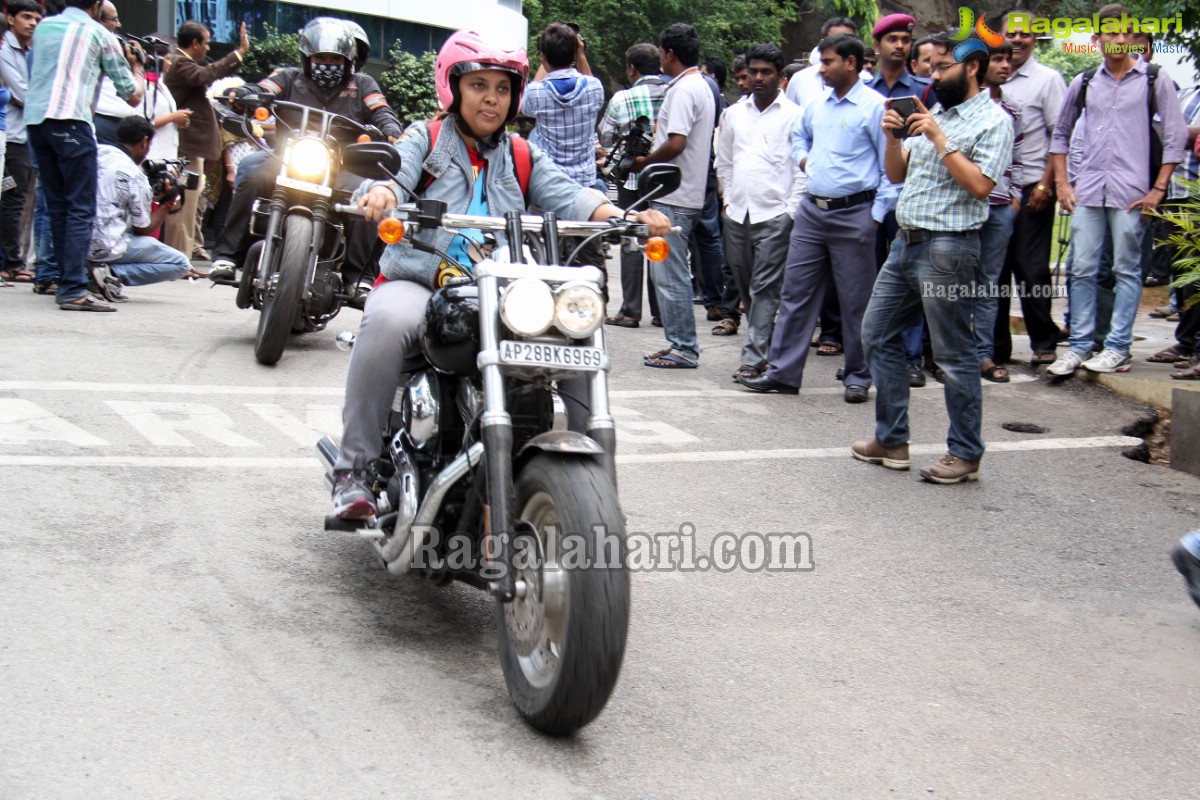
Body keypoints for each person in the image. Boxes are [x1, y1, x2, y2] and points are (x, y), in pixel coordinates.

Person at [329, 30, 669, 519]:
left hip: (504, 290)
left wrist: (623, 215)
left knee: (577, 344)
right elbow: (395, 172)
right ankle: (354, 471)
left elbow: (571, 195)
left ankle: (596, 492)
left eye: (502, 88)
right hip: (422, 281)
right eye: (479, 85)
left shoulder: (522, 154)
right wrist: (382, 192)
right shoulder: (424, 139)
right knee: (383, 325)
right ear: (454, 88)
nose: (491, 97)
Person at [851, 33, 1013, 484]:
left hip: (950, 247)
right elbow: (898, 173)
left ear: (972, 68)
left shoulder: (992, 121)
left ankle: (965, 453)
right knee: (876, 334)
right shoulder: (934, 112)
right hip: (906, 241)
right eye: (932, 68)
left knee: (954, 355)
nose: (933, 75)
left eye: (942, 68)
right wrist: (891, 139)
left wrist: (941, 139)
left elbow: (981, 186)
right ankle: (892, 440)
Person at [737, 34, 894, 402]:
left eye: (827, 62)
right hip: (812, 210)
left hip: (855, 212)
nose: (821, 69)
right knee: (795, 294)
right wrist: (806, 160)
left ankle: (858, 375)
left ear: (851, 63)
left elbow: (892, 166)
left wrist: (875, 215)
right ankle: (783, 373)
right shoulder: (816, 105)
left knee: (856, 300)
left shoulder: (875, 107)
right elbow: (799, 139)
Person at [208, 17, 402, 307]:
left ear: (348, 60)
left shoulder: (363, 84)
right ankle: (227, 256)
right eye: (321, 57)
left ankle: (358, 278)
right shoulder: (288, 77)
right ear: (307, 58)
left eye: (335, 58)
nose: (328, 63)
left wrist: (390, 130)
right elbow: (265, 89)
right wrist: (248, 95)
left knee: (368, 197)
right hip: (287, 157)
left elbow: (380, 109)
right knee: (250, 172)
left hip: (342, 165)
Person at [1047, 3, 1186, 377]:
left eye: (1127, 32)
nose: (1120, 39)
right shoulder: (1085, 82)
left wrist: (1158, 188)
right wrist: (1062, 182)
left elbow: (1174, 139)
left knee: (1126, 270)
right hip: (1089, 190)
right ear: (1097, 39)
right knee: (1081, 270)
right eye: (1111, 32)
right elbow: (1060, 134)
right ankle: (1078, 346)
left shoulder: (1154, 79)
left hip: (1132, 193)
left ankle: (1118, 347)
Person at [25, 0, 145, 311]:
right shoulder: (100, 34)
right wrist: (138, 66)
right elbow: (131, 94)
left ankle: (63, 282)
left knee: (57, 206)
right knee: (80, 207)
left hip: (36, 123)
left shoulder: (44, 28)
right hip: (72, 122)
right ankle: (74, 289)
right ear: (94, 5)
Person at [716, 43, 804, 384]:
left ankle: (753, 357)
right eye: (753, 71)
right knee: (745, 284)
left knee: (765, 287)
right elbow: (724, 160)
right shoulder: (734, 114)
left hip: (774, 214)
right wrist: (726, 200)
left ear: (780, 77)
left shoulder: (795, 115)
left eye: (766, 72)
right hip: (737, 213)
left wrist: (791, 211)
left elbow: (802, 168)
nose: (757, 77)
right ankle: (764, 347)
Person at [631, 23, 715, 369]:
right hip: (686, 192)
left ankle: (684, 347)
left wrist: (644, 162)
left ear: (669, 53)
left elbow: (677, 142)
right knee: (670, 272)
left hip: (674, 193)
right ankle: (678, 343)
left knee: (670, 274)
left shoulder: (684, 90)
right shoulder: (701, 86)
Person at [866, 13, 939, 388]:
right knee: (874, 282)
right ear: (877, 46)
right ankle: (874, 356)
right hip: (869, 199)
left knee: (912, 283)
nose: (899, 45)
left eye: (904, 39)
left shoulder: (926, 90)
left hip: (908, 200)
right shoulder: (864, 89)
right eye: (891, 39)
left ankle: (911, 358)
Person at [997, 10, 1068, 369]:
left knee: (1031, 267)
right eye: (1013, 33)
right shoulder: (990, 75)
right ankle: (998, 348)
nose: (1019, 39)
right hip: (994, 191)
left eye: (1026, 35)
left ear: (1035, 39)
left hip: (1032, 189)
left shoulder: (1048, 80)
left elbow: (1061, 135)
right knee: (996, 269)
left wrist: (1046, 183)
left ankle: (1044, 338)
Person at [163, 19, 248, 263]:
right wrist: (238, 54)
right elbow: (204, 75)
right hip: (186, 147)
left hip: (190, 147)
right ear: (195, 43)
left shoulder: (181, 62)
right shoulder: (181, 63)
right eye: (207, 43)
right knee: (186, 204)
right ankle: (178, 259)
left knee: (191, 205)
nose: (208, 49)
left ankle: (182, 257)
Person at [598, 42, 667, 328]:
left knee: (631, 238)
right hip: (665, 182)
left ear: (632, 69)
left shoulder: (622, 99)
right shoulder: (673, 93)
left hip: (631, 180)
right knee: (660, 238)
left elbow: (605, 138)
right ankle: (662, 311)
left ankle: (630, 311)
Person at [88, 115, 189, 299]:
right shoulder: (135, 174)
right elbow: (143, 229)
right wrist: (168, 201)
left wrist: (152, 197)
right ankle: (109, 274)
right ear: (144, 141)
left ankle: (90, 270)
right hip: (104, 245)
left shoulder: (95, 153)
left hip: (75, 238)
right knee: (180, 263)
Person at [973, 43, 1023, 385]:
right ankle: (951, 355)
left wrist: (1016, 195)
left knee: (989, 285)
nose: (1005, 65)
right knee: (953, 284)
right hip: (965, 207)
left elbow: (1019, 158)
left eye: (1008, 60)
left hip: (1001, 207)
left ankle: (982, 355)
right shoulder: (962, 107)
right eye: (998, 59)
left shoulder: (1012, 111)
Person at [523, 23, 604, 188]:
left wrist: (548, 55)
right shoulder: (593, 87)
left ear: (543, 56)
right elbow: (592, 87)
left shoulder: (536, 91)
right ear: (574, 53)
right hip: (584, 183)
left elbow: (528, 101)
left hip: (548, 182)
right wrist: (580, 53)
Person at [0, 0, 41, 285]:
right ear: (10, 18)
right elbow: (26, 95)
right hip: (13, 138)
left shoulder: (32, 51)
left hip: (28, 136)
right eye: (26, 17)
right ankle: (11, 262)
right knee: (12, 199)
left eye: (36, 18)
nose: (32, 23)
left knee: (23, 201)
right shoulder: (5, 51)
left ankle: (16, 261)